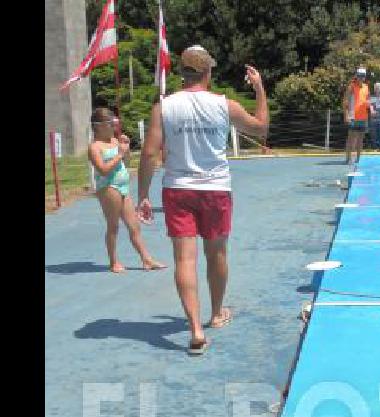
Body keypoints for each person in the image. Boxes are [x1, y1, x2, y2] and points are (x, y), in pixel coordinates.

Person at [137, 45, 269, 355]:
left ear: (182, 73)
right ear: (208, 72)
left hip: (178, 188)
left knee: (185, 259)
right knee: (217, 255)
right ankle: (215, 313)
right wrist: (260, 88)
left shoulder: (164, 107)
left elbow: (149, 153)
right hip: (215, 190)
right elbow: (261, 128)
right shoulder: (225, 105)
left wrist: (142, 195)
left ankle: (195, 328)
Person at [87, 108, 166, 274]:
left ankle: (146, 259)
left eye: (114, 123)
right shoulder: (95, 147)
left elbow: (126, 161)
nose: (113, 127)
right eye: (110, 123)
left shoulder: (115, 141)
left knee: (134, 226)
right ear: (99, 126)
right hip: (109, 187)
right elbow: (102, 170)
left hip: (123, 186)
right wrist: (119, 155)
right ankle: (113, 261)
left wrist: (125, 148)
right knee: (113, 226)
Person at [343, 67, 372, 165]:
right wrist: (346, 115)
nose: (361, 77)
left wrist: (370, 108)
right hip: (353, 117)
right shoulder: (351, 87)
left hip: (363, 117)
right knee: (351, 138)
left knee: (360, 139)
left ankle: (358, 159)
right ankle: (348, 158)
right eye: (359, 75)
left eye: (363, 75)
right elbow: (346, 102)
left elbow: (368, 101)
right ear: (356, 76)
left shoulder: (366, 87)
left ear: (364, 77)